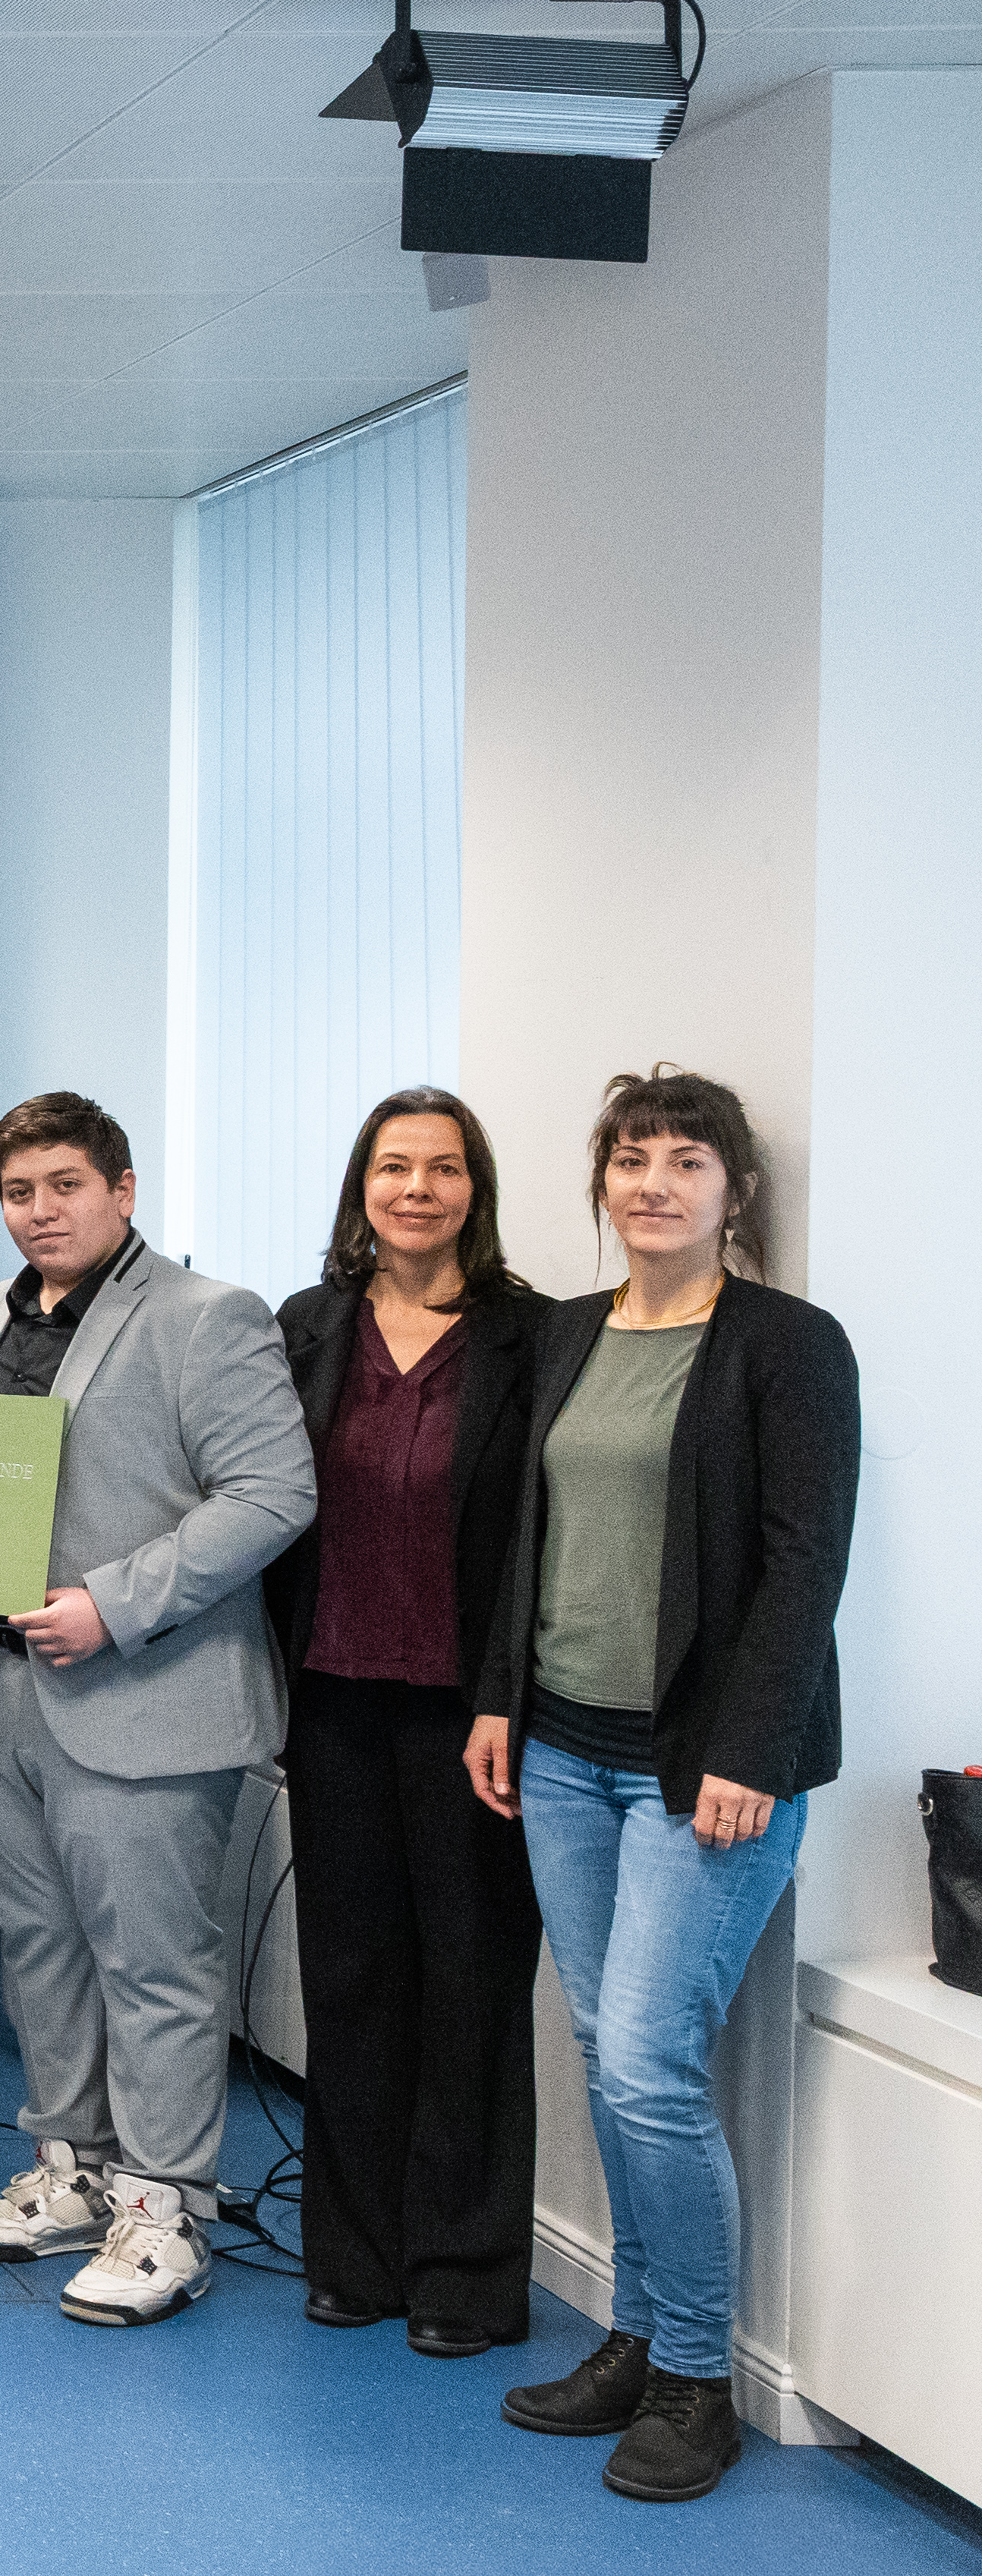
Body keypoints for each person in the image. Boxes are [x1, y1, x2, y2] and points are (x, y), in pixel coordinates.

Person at [471, 1070, 856, 2502]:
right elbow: (529, 1534)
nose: (654, 1184)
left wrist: (750, 1748)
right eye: (631, 1159)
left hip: (704, 1770)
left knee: (645, 2061)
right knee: (602, 2049)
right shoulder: (569, 1334)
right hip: (562, 1751)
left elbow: (804, 1562)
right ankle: (635, 2338)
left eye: (686, 1161)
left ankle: (699, 2379)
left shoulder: (787, 1345)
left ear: (732, 1191)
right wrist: (499, 1698)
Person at [0, 1094, 313, 2324]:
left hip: (143, 1690)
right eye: (19, 1192)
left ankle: (164, 2208)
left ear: (122, 1190)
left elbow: (271, 1494)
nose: (40, 1211)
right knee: (40, 1948)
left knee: (155, 1966)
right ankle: (71, 2167)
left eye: (65, 1185)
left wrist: (112, 1605)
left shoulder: (207, 1316)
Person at [263, 1088, 545, 2359]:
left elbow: (541, 1536)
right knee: (349, 1979)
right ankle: (352, 2257)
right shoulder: (305, 1325)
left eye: (441, 1168)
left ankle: (464, 2274)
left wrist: (507, 1693)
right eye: (392, 1166)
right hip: (329, 1697)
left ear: (474, 1189)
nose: (415, 1189)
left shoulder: (532, 1336)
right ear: (360, 1186)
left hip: (468, 1716)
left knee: (470, 1984)